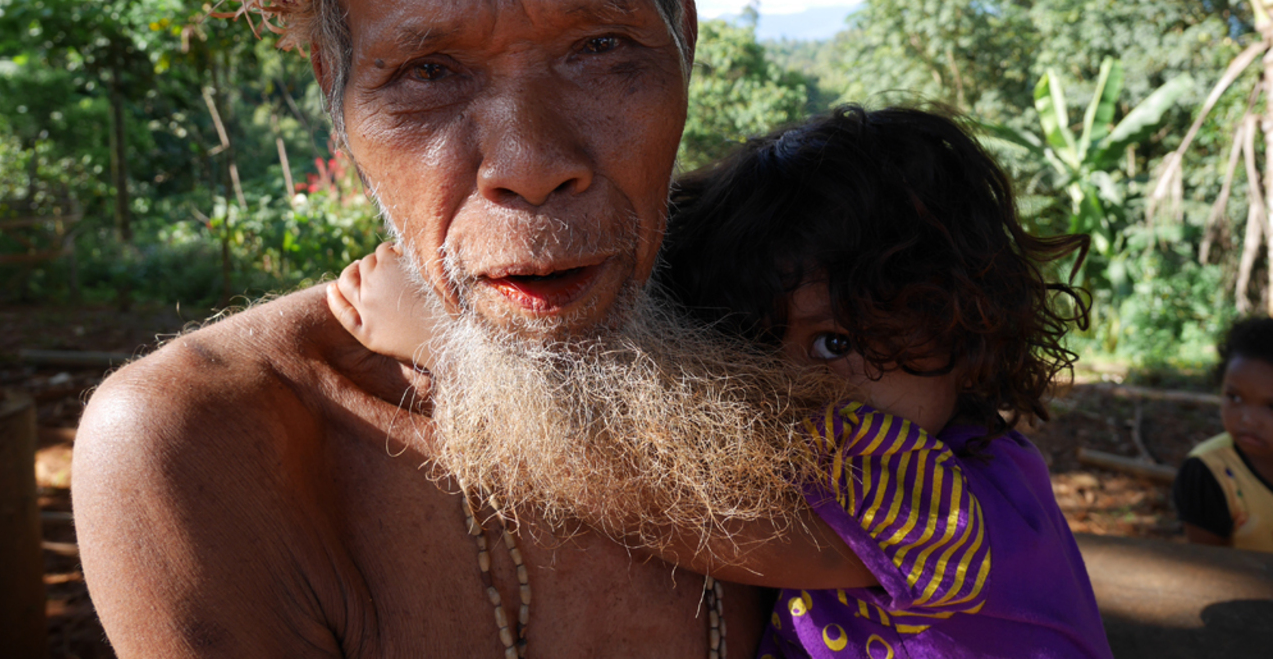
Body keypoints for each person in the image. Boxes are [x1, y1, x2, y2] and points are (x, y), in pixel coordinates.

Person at [73, 0, 846, 657]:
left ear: (682, 37)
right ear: (332, 88)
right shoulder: (208, 445)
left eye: (599, 48)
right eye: (429, 70)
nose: (531, 163)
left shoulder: (822, 331)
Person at [330, 106, 1114, 657]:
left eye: (837, 338)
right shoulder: (980, 451)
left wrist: (450, 343)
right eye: (755, 344)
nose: (796, 382)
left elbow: (669, 508)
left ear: (965, 324)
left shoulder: (919, 491)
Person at [1174, 317, 1273, 552]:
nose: (1248, 419)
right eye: (1234, 398)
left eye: (1271, 406)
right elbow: (1211, 570)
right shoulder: (1208, 473)